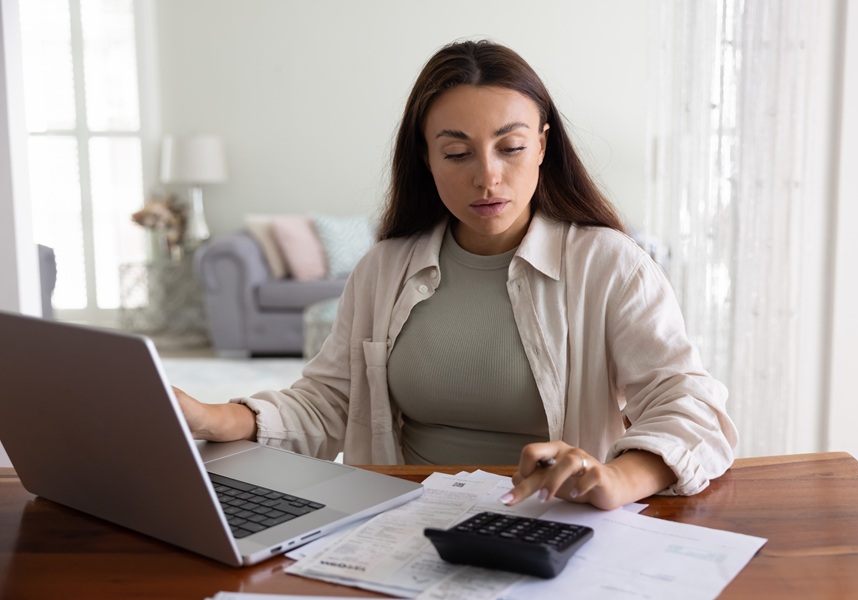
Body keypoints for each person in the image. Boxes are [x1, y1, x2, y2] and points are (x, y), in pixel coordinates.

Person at [176, 39, 737, 511]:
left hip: (550, 519)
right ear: (425, 157)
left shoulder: (609, 263)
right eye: (456, 153)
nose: (488, 177)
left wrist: (615, 479)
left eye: (511, 147)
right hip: (401, 517)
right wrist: (210, 417)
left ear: (543, 145)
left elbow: (689, 405)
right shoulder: (384, 267)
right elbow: (327, 402)